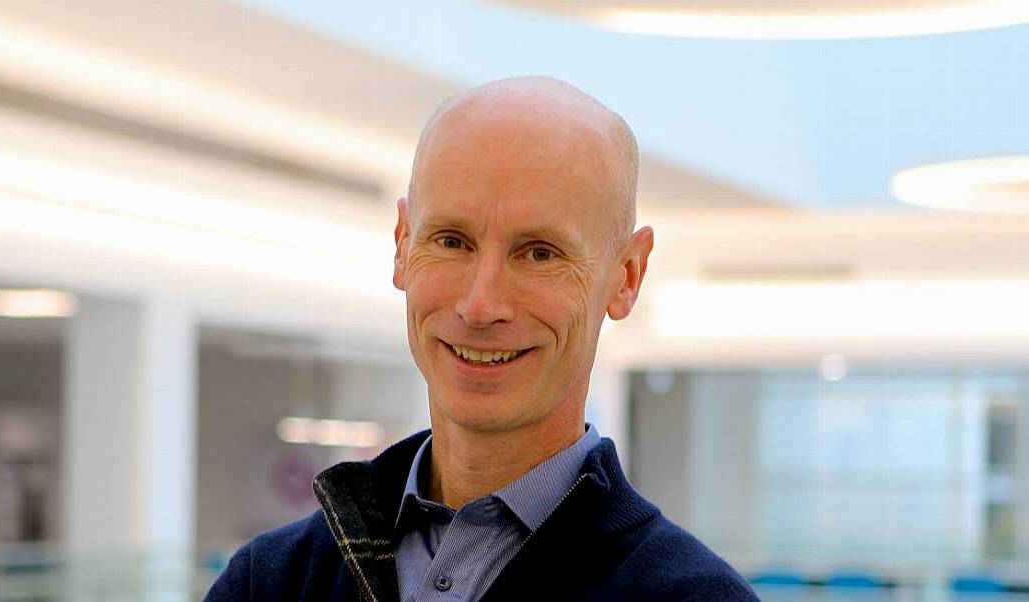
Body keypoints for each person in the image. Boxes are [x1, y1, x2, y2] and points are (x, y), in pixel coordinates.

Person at [203, 76, 759, 602]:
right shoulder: (270, 581)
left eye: (539, 253)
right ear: (402, 245)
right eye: (451, 241)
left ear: (628, 276)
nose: (480, 305)